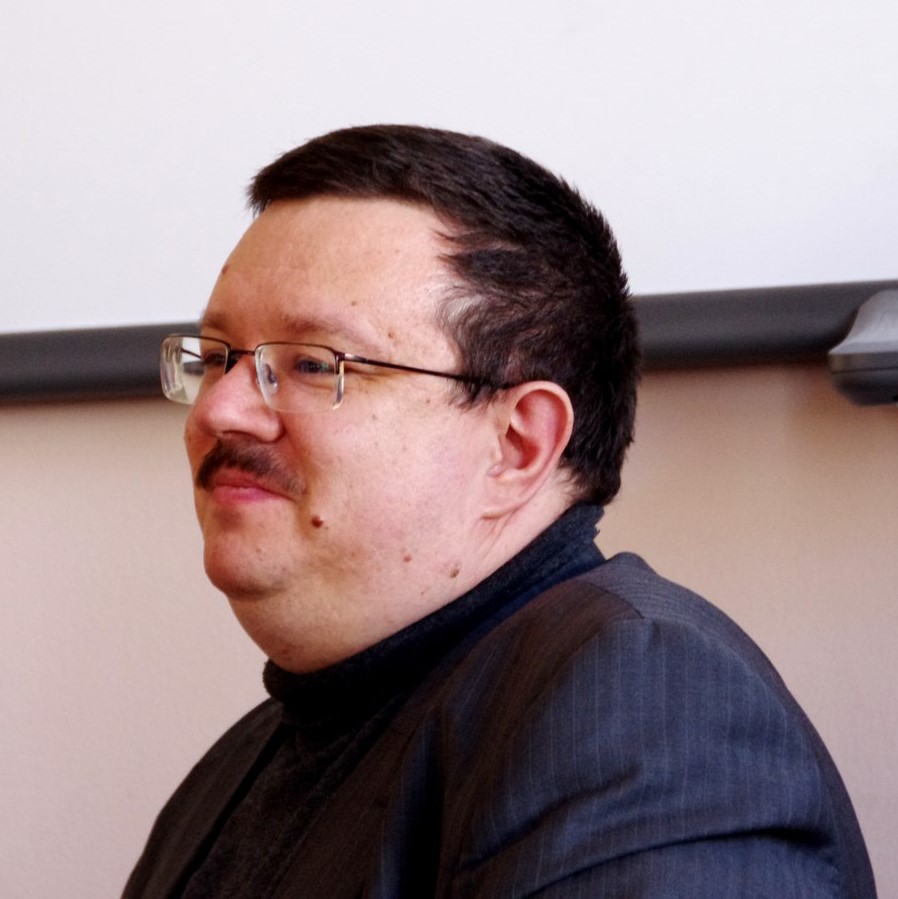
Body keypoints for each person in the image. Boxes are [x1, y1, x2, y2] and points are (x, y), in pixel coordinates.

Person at [124, 124, 876, 898]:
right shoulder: (241, 764)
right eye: (217, 357)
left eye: (315, 364)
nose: (220, 410)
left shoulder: (641, 704)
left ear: (517, 444)